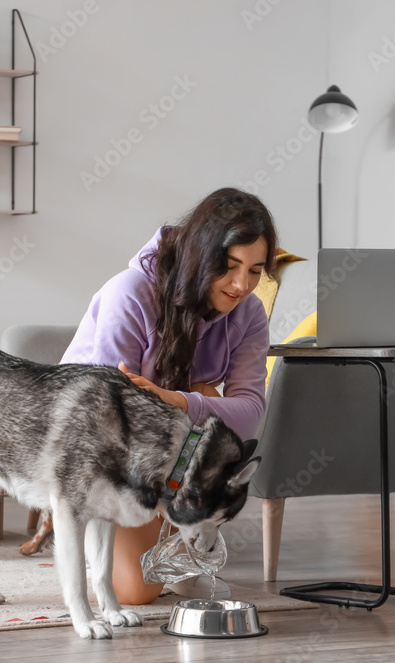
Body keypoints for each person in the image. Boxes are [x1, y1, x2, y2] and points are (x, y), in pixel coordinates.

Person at [60, 187, 278, 604]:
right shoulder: (130, 292)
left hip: (160, 443)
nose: (241, 285)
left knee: (201, 392)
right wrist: (178, 404)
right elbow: (110, 418)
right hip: (102, 450)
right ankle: (92, 531)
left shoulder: (249, 314)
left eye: (255, 270)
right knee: (136, 592)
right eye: (230, 266)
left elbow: (250, 414)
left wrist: (178, 401)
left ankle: (176, 534)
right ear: (201, 253)